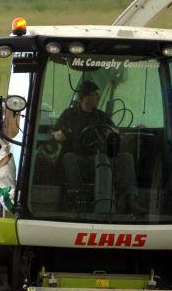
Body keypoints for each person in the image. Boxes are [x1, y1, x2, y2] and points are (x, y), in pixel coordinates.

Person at [52, 80, 142, 214]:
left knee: (126, 158)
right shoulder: (68, 115)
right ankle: (77, 198)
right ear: (84, 97)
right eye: (95, 95)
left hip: (102, 157)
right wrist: (56, 134)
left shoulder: (102, 116)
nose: (98, 98)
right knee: (68, 158)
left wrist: (114, 134)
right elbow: (54, 131)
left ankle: (131, 200)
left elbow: (116, 133)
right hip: (80, 159)